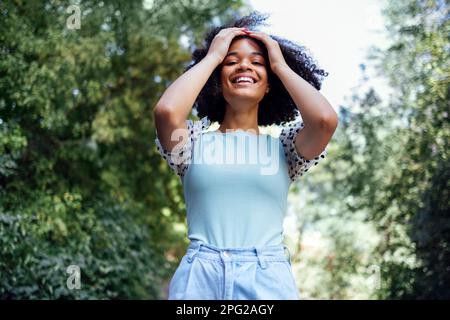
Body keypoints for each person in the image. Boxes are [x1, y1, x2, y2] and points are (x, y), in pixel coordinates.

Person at [153, 12, 338, 300]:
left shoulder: (287, 150)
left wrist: (279, 64)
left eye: (256, 62)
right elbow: (166, 112)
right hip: (200, 278)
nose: (244, 66)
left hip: (267, 279)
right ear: (218, 80)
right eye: (232, 60)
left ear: (269, 84)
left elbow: (325, 120)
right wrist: (213, 57)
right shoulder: (190, 145)